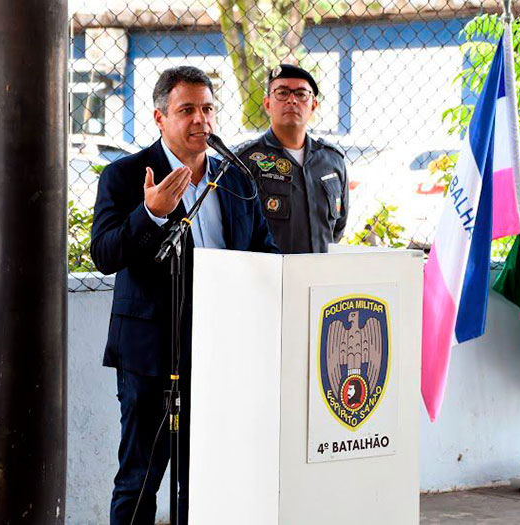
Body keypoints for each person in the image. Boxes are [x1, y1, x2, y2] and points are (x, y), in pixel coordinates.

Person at [91, 65, 278, 525]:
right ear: (159, 117)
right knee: (140, 478)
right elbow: (103, 253)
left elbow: (264, 253)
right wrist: (150, 213)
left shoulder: (235, 178)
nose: (201, 120)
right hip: (151, 355)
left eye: (208, 109)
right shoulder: (125, 175)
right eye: (187, 110)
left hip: (220, 354)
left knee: (207, 477)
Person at [236, 64, 349, 254]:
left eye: (301, 94)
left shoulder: (332, 161)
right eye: (282, 93)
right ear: (267, 104)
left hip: (320, 277)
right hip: (270, 277)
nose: (292, 100)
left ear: (313, 105)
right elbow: (238, 231)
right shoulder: (246, 161)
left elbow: (337, 228)